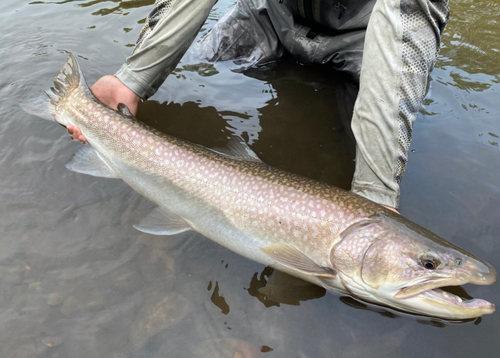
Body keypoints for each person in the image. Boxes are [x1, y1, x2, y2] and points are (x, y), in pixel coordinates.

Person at [68, 0, 450, 212]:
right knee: (199, 62)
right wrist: (132, 78)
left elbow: (400, 48)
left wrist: (376, 197)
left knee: (347, 154)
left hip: (365, 40)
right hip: (271, 16)